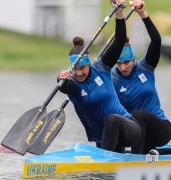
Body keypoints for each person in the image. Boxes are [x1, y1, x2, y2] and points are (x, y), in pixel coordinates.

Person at [57, 0, 142, 154]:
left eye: (82, 68)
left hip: (129, 129)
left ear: (89, 64)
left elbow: (119, 41)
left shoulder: (101, 67)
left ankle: (104, 159)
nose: (79, 73)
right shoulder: (73, 83)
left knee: (111, 119)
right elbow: (65, 88)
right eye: (75, 70)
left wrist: (119, 13)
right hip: (106, 137)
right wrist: (60, 79)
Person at [111, 0, 171, 154]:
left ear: (133, 59)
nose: (123, 67)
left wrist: (142, 13)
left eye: (127, 63)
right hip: (135, 133)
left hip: (161, 130)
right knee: (109, 117)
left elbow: (156, 41)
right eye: (119, 64)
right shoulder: (113, 77)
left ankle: (135, 159)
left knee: (137, 114)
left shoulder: (145, 68)